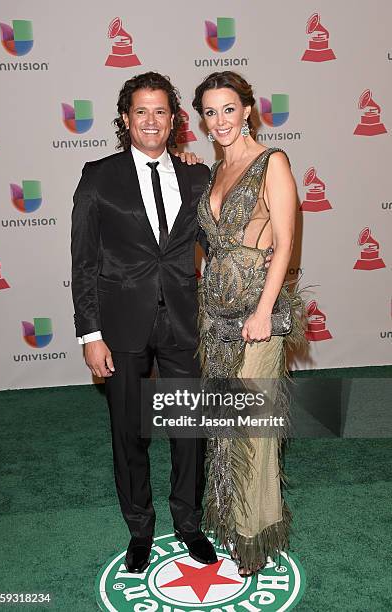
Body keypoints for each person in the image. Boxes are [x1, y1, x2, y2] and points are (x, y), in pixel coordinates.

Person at [71, 72, 218, 573]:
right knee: (129, 432)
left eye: (161, 111)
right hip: (121, 325)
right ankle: (140, 528)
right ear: (125, 119)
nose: (151, 121)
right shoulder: (98, 176)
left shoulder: (198, 175)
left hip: (184, 321)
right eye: (141, 112)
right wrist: (91, 335)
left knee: (189, 429)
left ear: (175, 119)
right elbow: (83, 262)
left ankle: (188, 522)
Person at [192, 71, 307, 576]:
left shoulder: (271, 162)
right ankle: (231, 518)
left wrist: (264, 311)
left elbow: (283, 242)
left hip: (256, 319)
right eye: (210, 112)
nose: (220, 120)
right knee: (225, 426)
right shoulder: (218, 167)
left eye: (228, 109)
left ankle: (255, 536)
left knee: (255, 430)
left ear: (247, 110)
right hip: (215, 316)